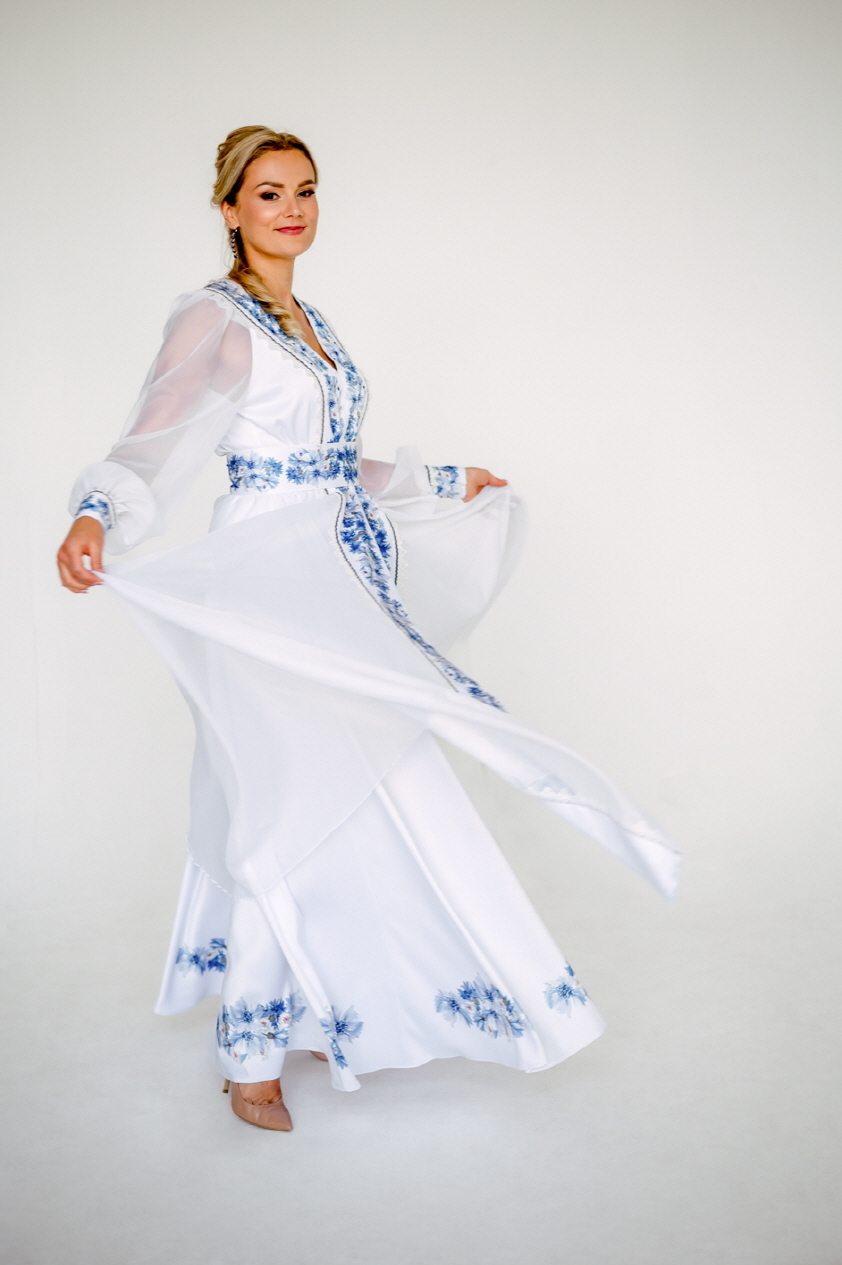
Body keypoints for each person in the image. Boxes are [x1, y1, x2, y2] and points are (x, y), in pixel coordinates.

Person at [57, 127, 679, 1132]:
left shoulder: (311, 322)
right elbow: (153, 436)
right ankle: (249, 1054)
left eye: (305, 191)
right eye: (268, 193)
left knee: (360, 789)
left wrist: (443, 479)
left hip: (337, 576)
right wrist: (98, 513)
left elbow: (334, 463)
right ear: (229, 208)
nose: (292, 210)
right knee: (282, 800)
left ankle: (315, 1005)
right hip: (263, 582)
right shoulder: (215, 319)